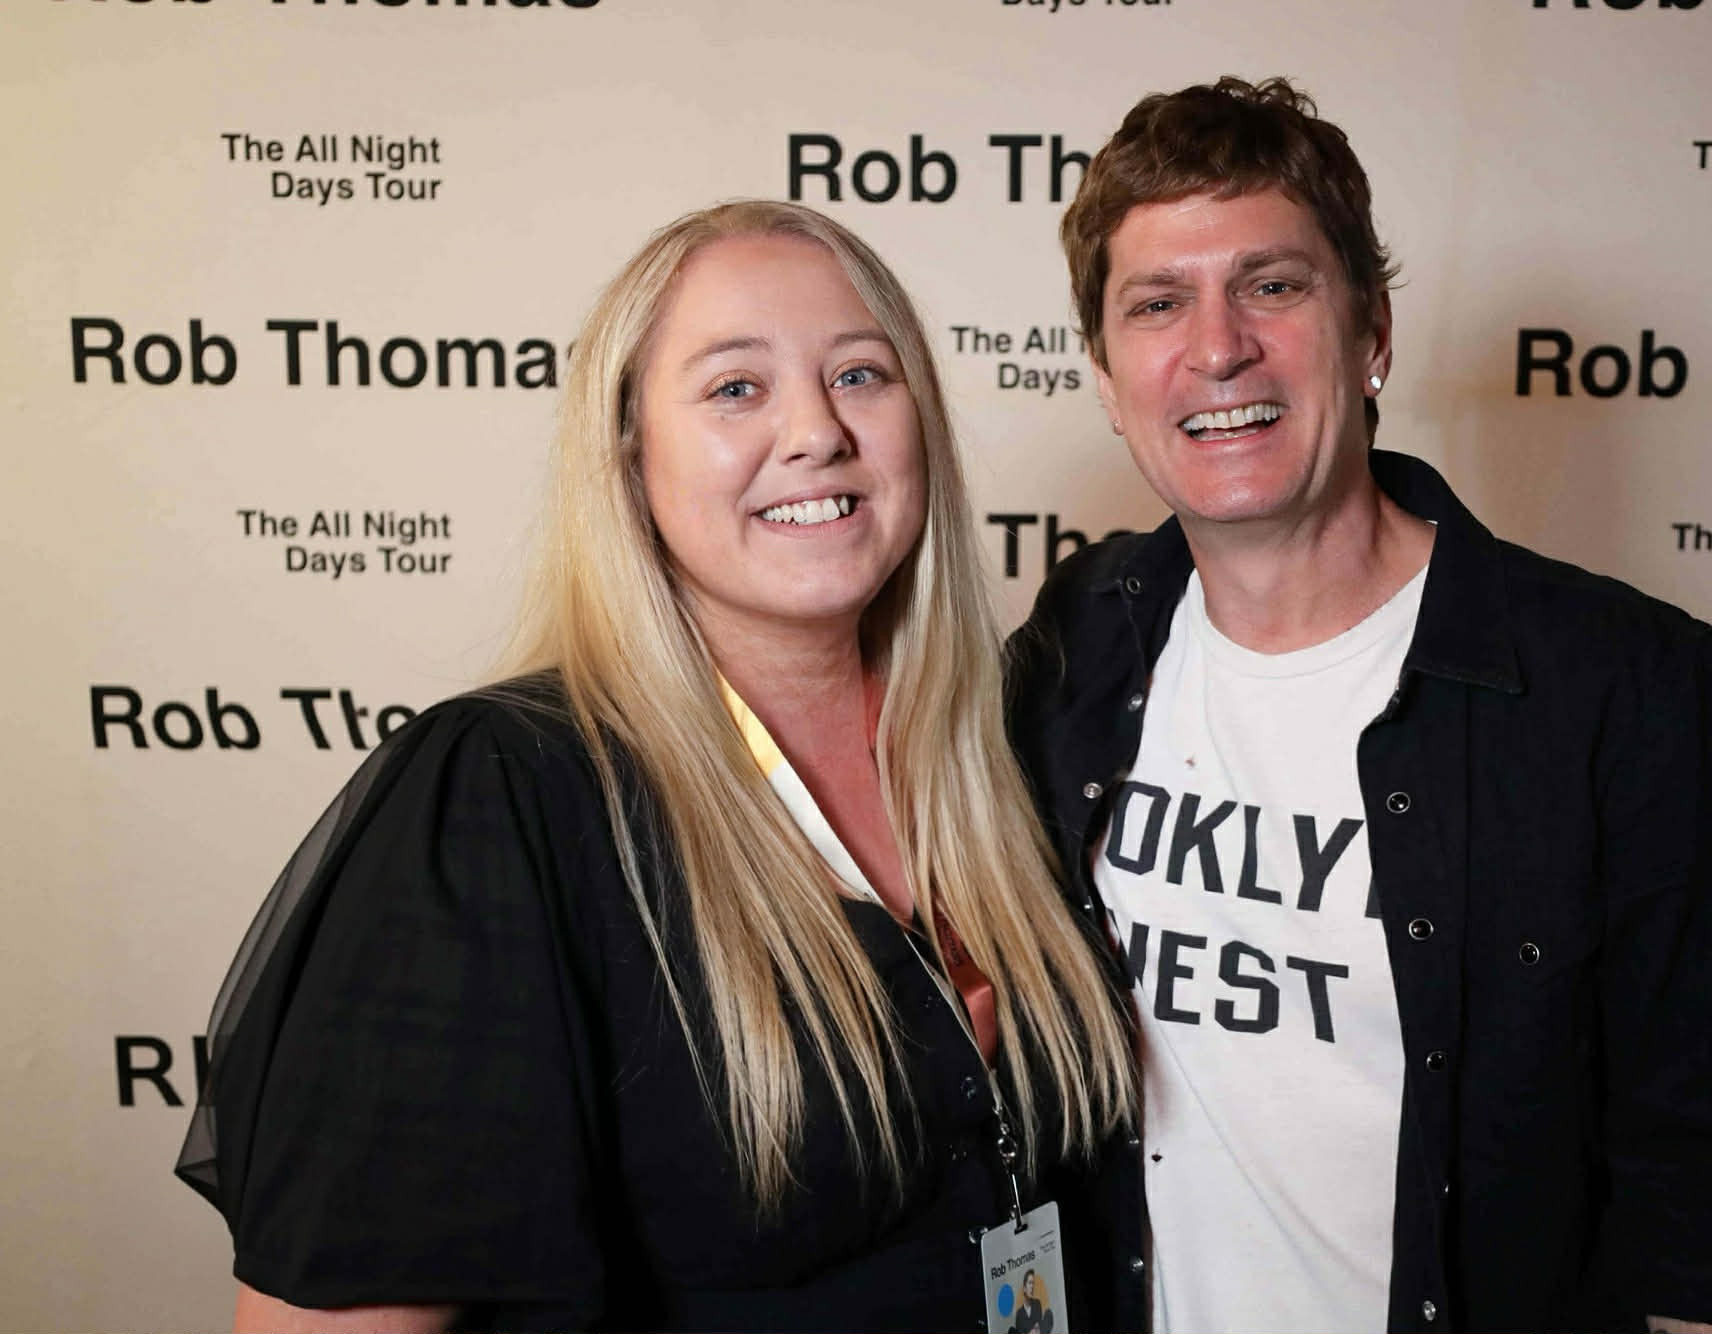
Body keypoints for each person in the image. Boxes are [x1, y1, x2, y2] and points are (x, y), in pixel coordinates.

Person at [177, 200, 1135, 1333]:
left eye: (860, 375)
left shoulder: (1002, 753)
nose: (815, 432)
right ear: (629, 458)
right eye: (736, 387)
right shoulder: (506, 795)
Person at [1006, 78, 1712, 1333]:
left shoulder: (1633, 693)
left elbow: (1711, 1214)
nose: (1216, 347)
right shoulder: (1077, 643)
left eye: (1271, 285)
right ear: (1110, 381)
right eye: (1156, 303)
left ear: (1370, 332)